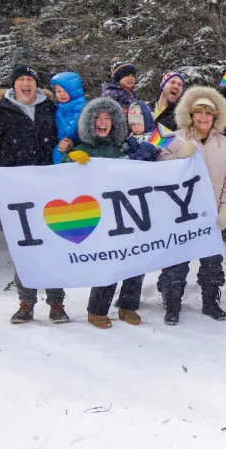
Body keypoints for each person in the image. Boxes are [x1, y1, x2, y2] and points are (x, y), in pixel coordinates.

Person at [0, 64, 68, 325]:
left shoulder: (51, 109)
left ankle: (56, 302)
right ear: (13, 85)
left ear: (37, 85)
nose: (26, 84)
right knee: (25, 245)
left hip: (51, 187)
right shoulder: (0, 112)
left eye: (31, 80)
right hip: (18, 190)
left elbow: (68, 133)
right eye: (21, 80)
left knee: (54, 242)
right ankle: (26, 302)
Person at [64, 97, 158, 328]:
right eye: (98, 117)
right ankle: (97, 310)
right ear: (90, 121)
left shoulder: (124, 146)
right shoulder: (83, 148)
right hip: (100, 215)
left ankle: (128, 306)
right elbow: (63, 179)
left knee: (136, 259)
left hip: (129, 212)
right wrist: (69, 158)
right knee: (109, 262)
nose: (103, 122)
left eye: (108, 117)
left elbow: (152, 157)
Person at [156, 85, 226, 323]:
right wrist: (180, 153)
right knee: (177, 263)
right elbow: (159, 166)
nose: (203, 117)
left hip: (211, 214)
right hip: (182, 215)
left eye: (208, 113)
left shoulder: (224, 143)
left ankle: (211, 301)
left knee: (212, 262)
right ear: (190, 114)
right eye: (199, 112)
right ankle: (172, 303)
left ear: (216, 116)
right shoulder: (176, 137)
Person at [50, 71, 86, 164]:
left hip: (73, 139)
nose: (62, 94)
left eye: (65, 91)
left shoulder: (79, 104)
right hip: (64, 139)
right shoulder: (61, 106)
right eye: (58, 91)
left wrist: (67, 133)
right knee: (58, 154)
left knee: (58, 154)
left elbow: (77, 120)